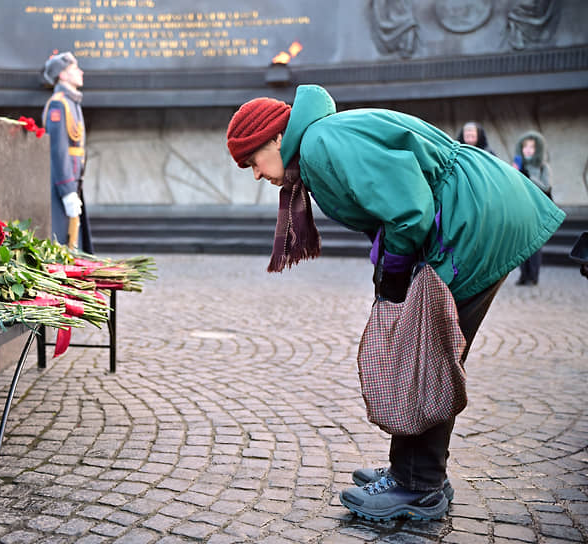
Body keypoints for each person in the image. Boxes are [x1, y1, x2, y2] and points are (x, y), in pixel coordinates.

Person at [226, 85, 565, 521]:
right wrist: (390, 269)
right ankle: (414, 472)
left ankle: (417, 486)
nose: (255, 174)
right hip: (474, 213)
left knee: (426, 355)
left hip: (469, 223)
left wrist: (395, 278)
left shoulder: (321, 142)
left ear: (276, 138)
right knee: (424, 350)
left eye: (252, 160)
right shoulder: (323, 139)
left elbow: (409, 212)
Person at [40, 51, 93, 252]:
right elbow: (59, 150)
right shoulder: (59, 104)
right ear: (62, 75)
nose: (80, 72)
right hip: (63, 184)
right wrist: (67, 190)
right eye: (74, 69)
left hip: (74, 180)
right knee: (63, 242)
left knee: (73, 241)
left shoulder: (71, 102)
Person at [512, 131, 552, 285]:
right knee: (521, 243)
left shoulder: (543, 166)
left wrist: (530, 176)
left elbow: (547, 186)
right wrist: (514, 173)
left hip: (537, 209)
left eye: (532, 147)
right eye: (525, 147)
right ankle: (523, 275)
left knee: (535, 244)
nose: (528, 150)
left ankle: (533, 276)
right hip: (522, 208)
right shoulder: (518, 164)